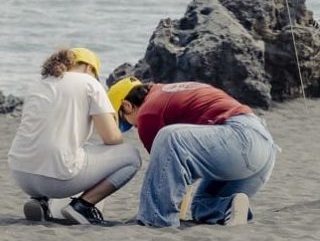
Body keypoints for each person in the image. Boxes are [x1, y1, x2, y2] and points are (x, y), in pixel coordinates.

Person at [108, 77, 279, 228]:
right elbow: (177, 174)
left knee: (169, 138)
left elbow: (166, 173)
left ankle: (155, 220)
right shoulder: (166, 92)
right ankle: (229, 205)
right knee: (202, 206)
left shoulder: (148, 113)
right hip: (264, 148)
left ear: (127, 105)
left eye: (125, 122)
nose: (134, 127)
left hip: (240, 140)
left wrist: (160, 214)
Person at [7, 48, 142, 225]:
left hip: (21, 173)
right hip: (58, 180)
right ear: (88, 68)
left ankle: (39, 201)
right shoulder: (89, 83)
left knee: (72, 148)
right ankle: (82, 206)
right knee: (131, 156)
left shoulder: (39, 84)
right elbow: (112, 138)